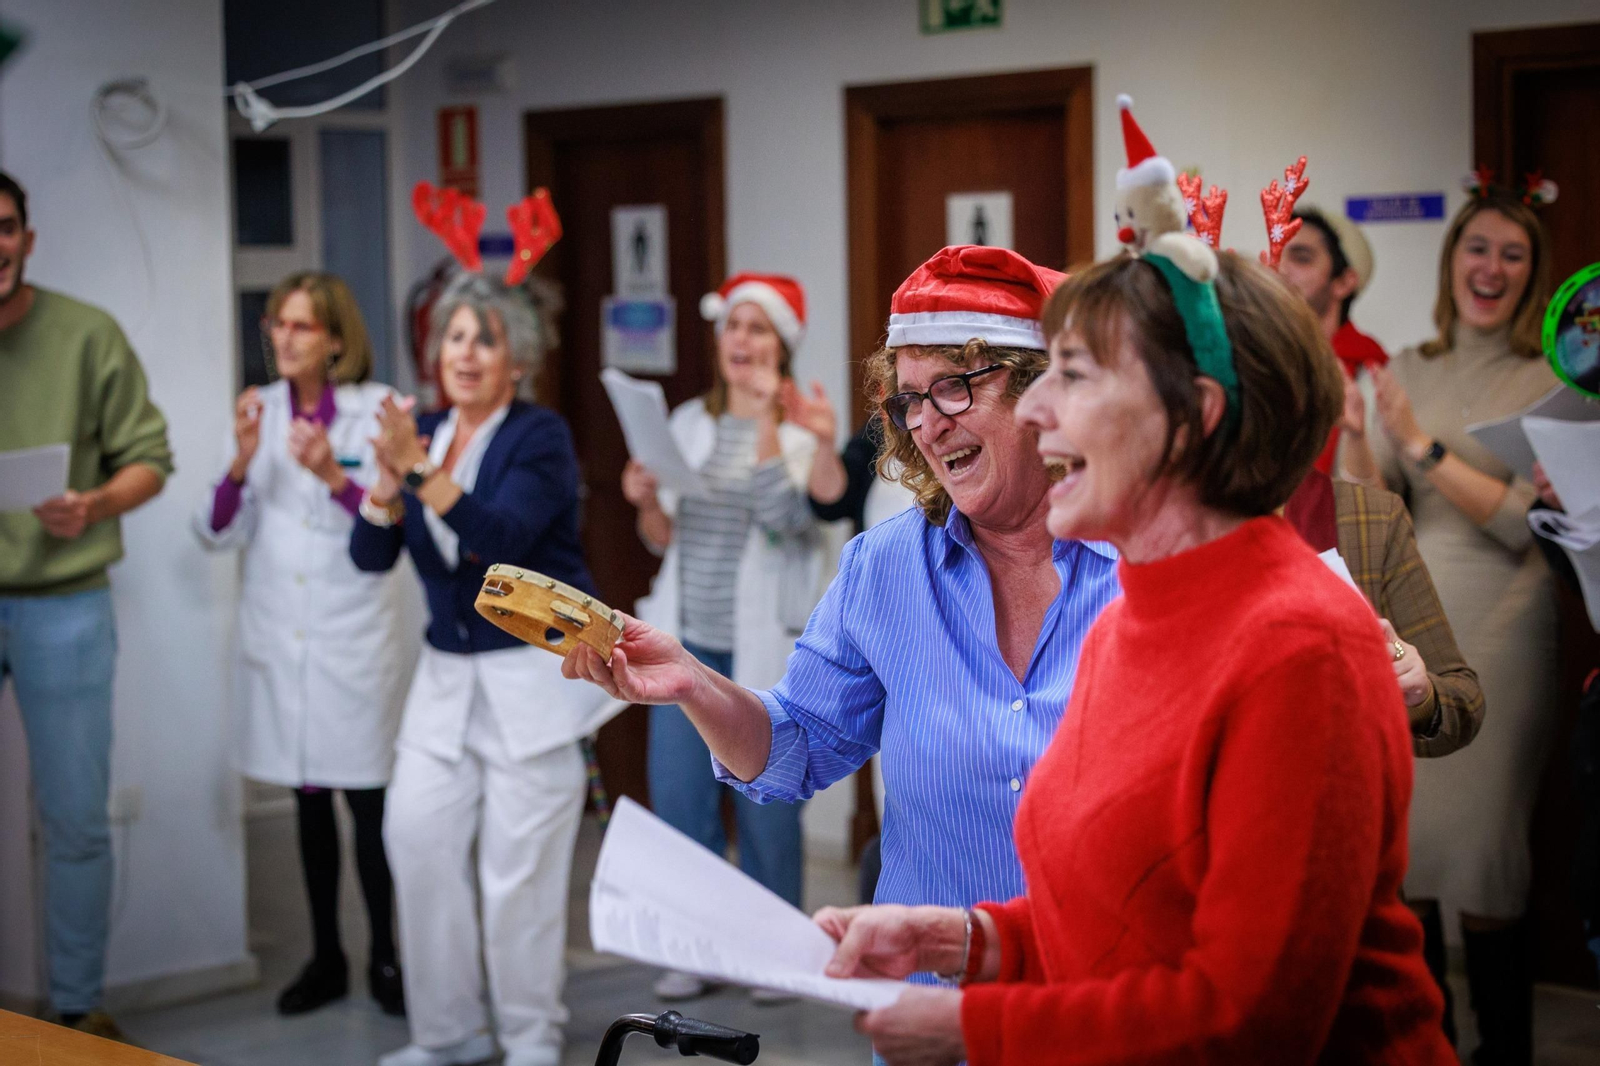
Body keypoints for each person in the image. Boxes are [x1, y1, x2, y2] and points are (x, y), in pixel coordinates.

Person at [817, 249, 1453, 1066]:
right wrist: (962, 940)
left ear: (1194, 416)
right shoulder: (1130, 622)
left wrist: (972, 1029)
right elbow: (1118, 919)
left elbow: (1247, 1021)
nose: (1035, 410)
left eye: (1072, 376)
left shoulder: (1304, 648)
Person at [565, 245, 1122, 993]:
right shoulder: (886, 569)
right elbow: (797, 745)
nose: (926, 424)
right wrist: (694, 683)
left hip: (1110, 1007)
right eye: (909, 401)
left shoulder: (1141, 566)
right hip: (932, 1015)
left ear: (1042, 395)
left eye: (953, 387)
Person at [352, 273, 618, 1066]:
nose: (466, 353)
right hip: (444, 683)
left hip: (532, 682)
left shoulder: (539, 437)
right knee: (417, 840)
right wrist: (383, 484)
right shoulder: (423, 430)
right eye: (456, 337)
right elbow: (370, 555)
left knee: (519, 874)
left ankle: (531, 1036)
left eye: (486, 339)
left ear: (517, 360)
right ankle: (448, 1034)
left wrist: (418, 473)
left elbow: (498, 537)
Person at [1342, 190, 1558, 1064]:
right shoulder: (1409, 367)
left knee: (1488, 852)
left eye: (1511, 255)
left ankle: (1505, 1049)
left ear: (1532, 273)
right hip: (1417, 605)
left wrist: (1420, 443)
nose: (1490, 269)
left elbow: (1520, 522)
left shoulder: (1551, 378)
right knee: (1416, 847)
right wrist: (1362, 436)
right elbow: (1381, 500)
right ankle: (1425, 1044)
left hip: (1511, 613)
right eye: (1477, 248)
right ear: (1452, 260)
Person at [191, 272, 407, 1017]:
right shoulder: (255, 414)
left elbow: (388, 526)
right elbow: (215, 529)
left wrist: (329, 475)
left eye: (302, 326)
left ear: (336, 340)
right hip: (283, 640)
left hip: (352, 640)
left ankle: (387, 956)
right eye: (277, 325)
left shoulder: (370, 414)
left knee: (370, 811)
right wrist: (243, 460)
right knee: (310, 808)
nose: (284, 338)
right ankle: (326, 958)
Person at [620, 272, 826, 1002]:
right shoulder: (685, 424)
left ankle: (777, 948)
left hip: (763, 643)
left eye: (758, 329)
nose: (741, 341)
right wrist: (645, 503)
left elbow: (789, 520)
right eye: (733, 327)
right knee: (680, 798)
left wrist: (770, 416)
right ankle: (695, 943)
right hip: (688, 639)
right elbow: (664, 538)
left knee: (767, 805)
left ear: (782, 346)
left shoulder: (802, 433)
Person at [0, 170, 171, 1042]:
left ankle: (76, 1005)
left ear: (27, 238)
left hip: (63, 602)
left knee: (74, 817)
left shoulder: (86, 335)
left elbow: (151, 456)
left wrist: (94, 505)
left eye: (2, 226)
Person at [1278, 205, 1387, 475]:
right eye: (1276, 254)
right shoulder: (1259, 360)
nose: (1280, 269)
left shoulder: (1375, 374)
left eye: (1301, 258)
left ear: (1344, 282)